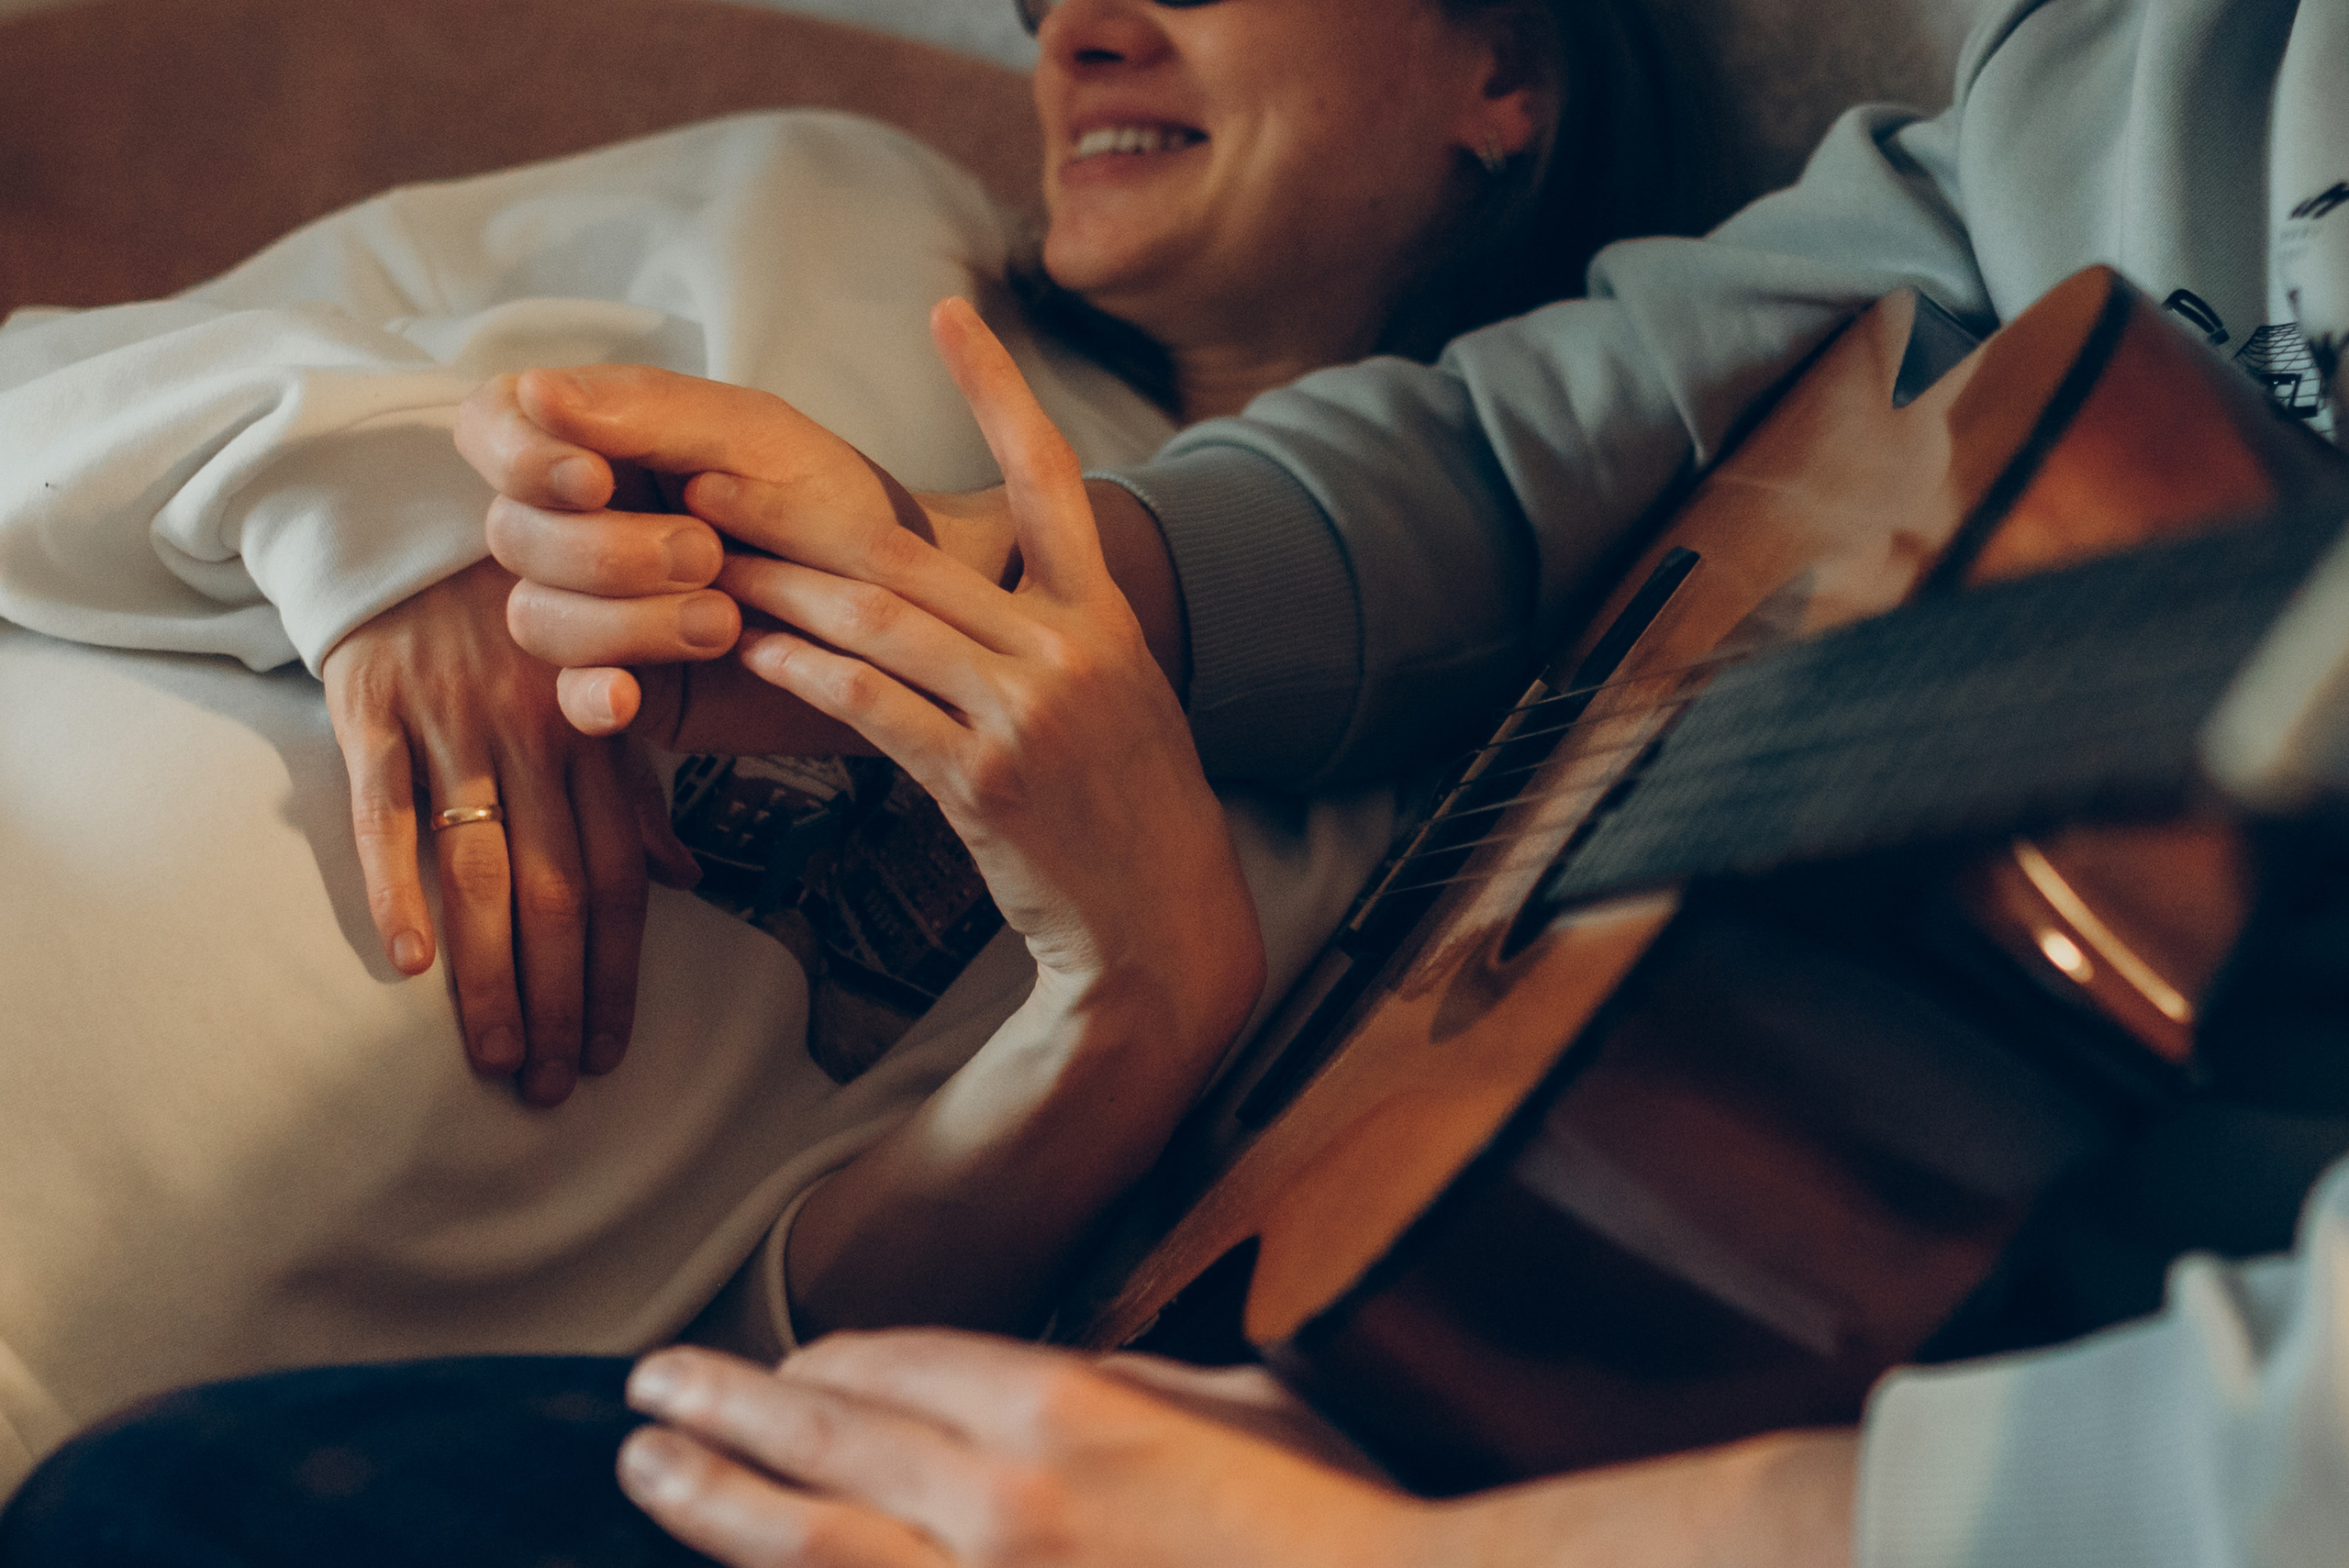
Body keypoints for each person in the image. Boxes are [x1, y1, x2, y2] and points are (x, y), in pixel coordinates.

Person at [0, 0, 1702, 1501]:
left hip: (98, 1404)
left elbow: (773, 1336)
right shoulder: (832, 197)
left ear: (1506, 71)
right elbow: (35, 388)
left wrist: (1137, 1004)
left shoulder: (1377, 830)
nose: (1075, 31)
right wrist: (402, 534)